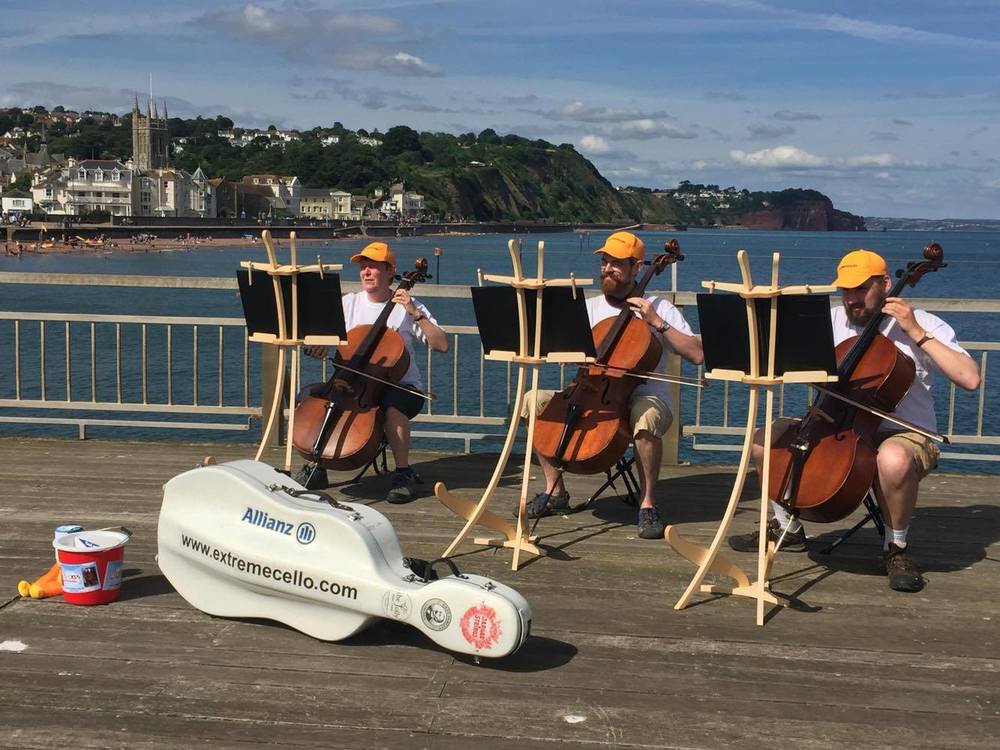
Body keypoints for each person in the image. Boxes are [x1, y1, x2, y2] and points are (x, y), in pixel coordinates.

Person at [728, 249, 981, 592]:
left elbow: (969, 378)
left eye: (861, 289)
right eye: (846, 290)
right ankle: (786, 525)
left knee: (891, 458)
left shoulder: (924, 324)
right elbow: (782, 360)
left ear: (885, 285)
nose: (852, 299)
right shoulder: (830, 321)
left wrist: (915, 331)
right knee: (764, 439)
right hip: (835, 424)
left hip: (905, 434)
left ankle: (897, 547)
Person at [523, 231, 704, 539]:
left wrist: (656, 322)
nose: (607, 268)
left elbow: (696, 354)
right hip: (588, 391)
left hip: (644, 396)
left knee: (645, 417)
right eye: (605, 261)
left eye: (616, 263)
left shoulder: (659, 307)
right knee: (532, 401)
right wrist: (564, 353)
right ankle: (555, 490)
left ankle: (648, 504)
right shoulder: (589, 308)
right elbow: (563, 349)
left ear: (637, 267)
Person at [301, 241, 449, 502]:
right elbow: (320, 339)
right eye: (363, 267)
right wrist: (319, 346)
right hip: (351, 382)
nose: (366, 272)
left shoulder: (408, 306)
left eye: (373, 267)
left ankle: (403, 472)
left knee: (392, 406)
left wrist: (416, 314)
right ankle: (318, 464)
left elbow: (441, 345)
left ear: (391, 271)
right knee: (309, 394)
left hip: (400, 386)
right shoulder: (348, 303)